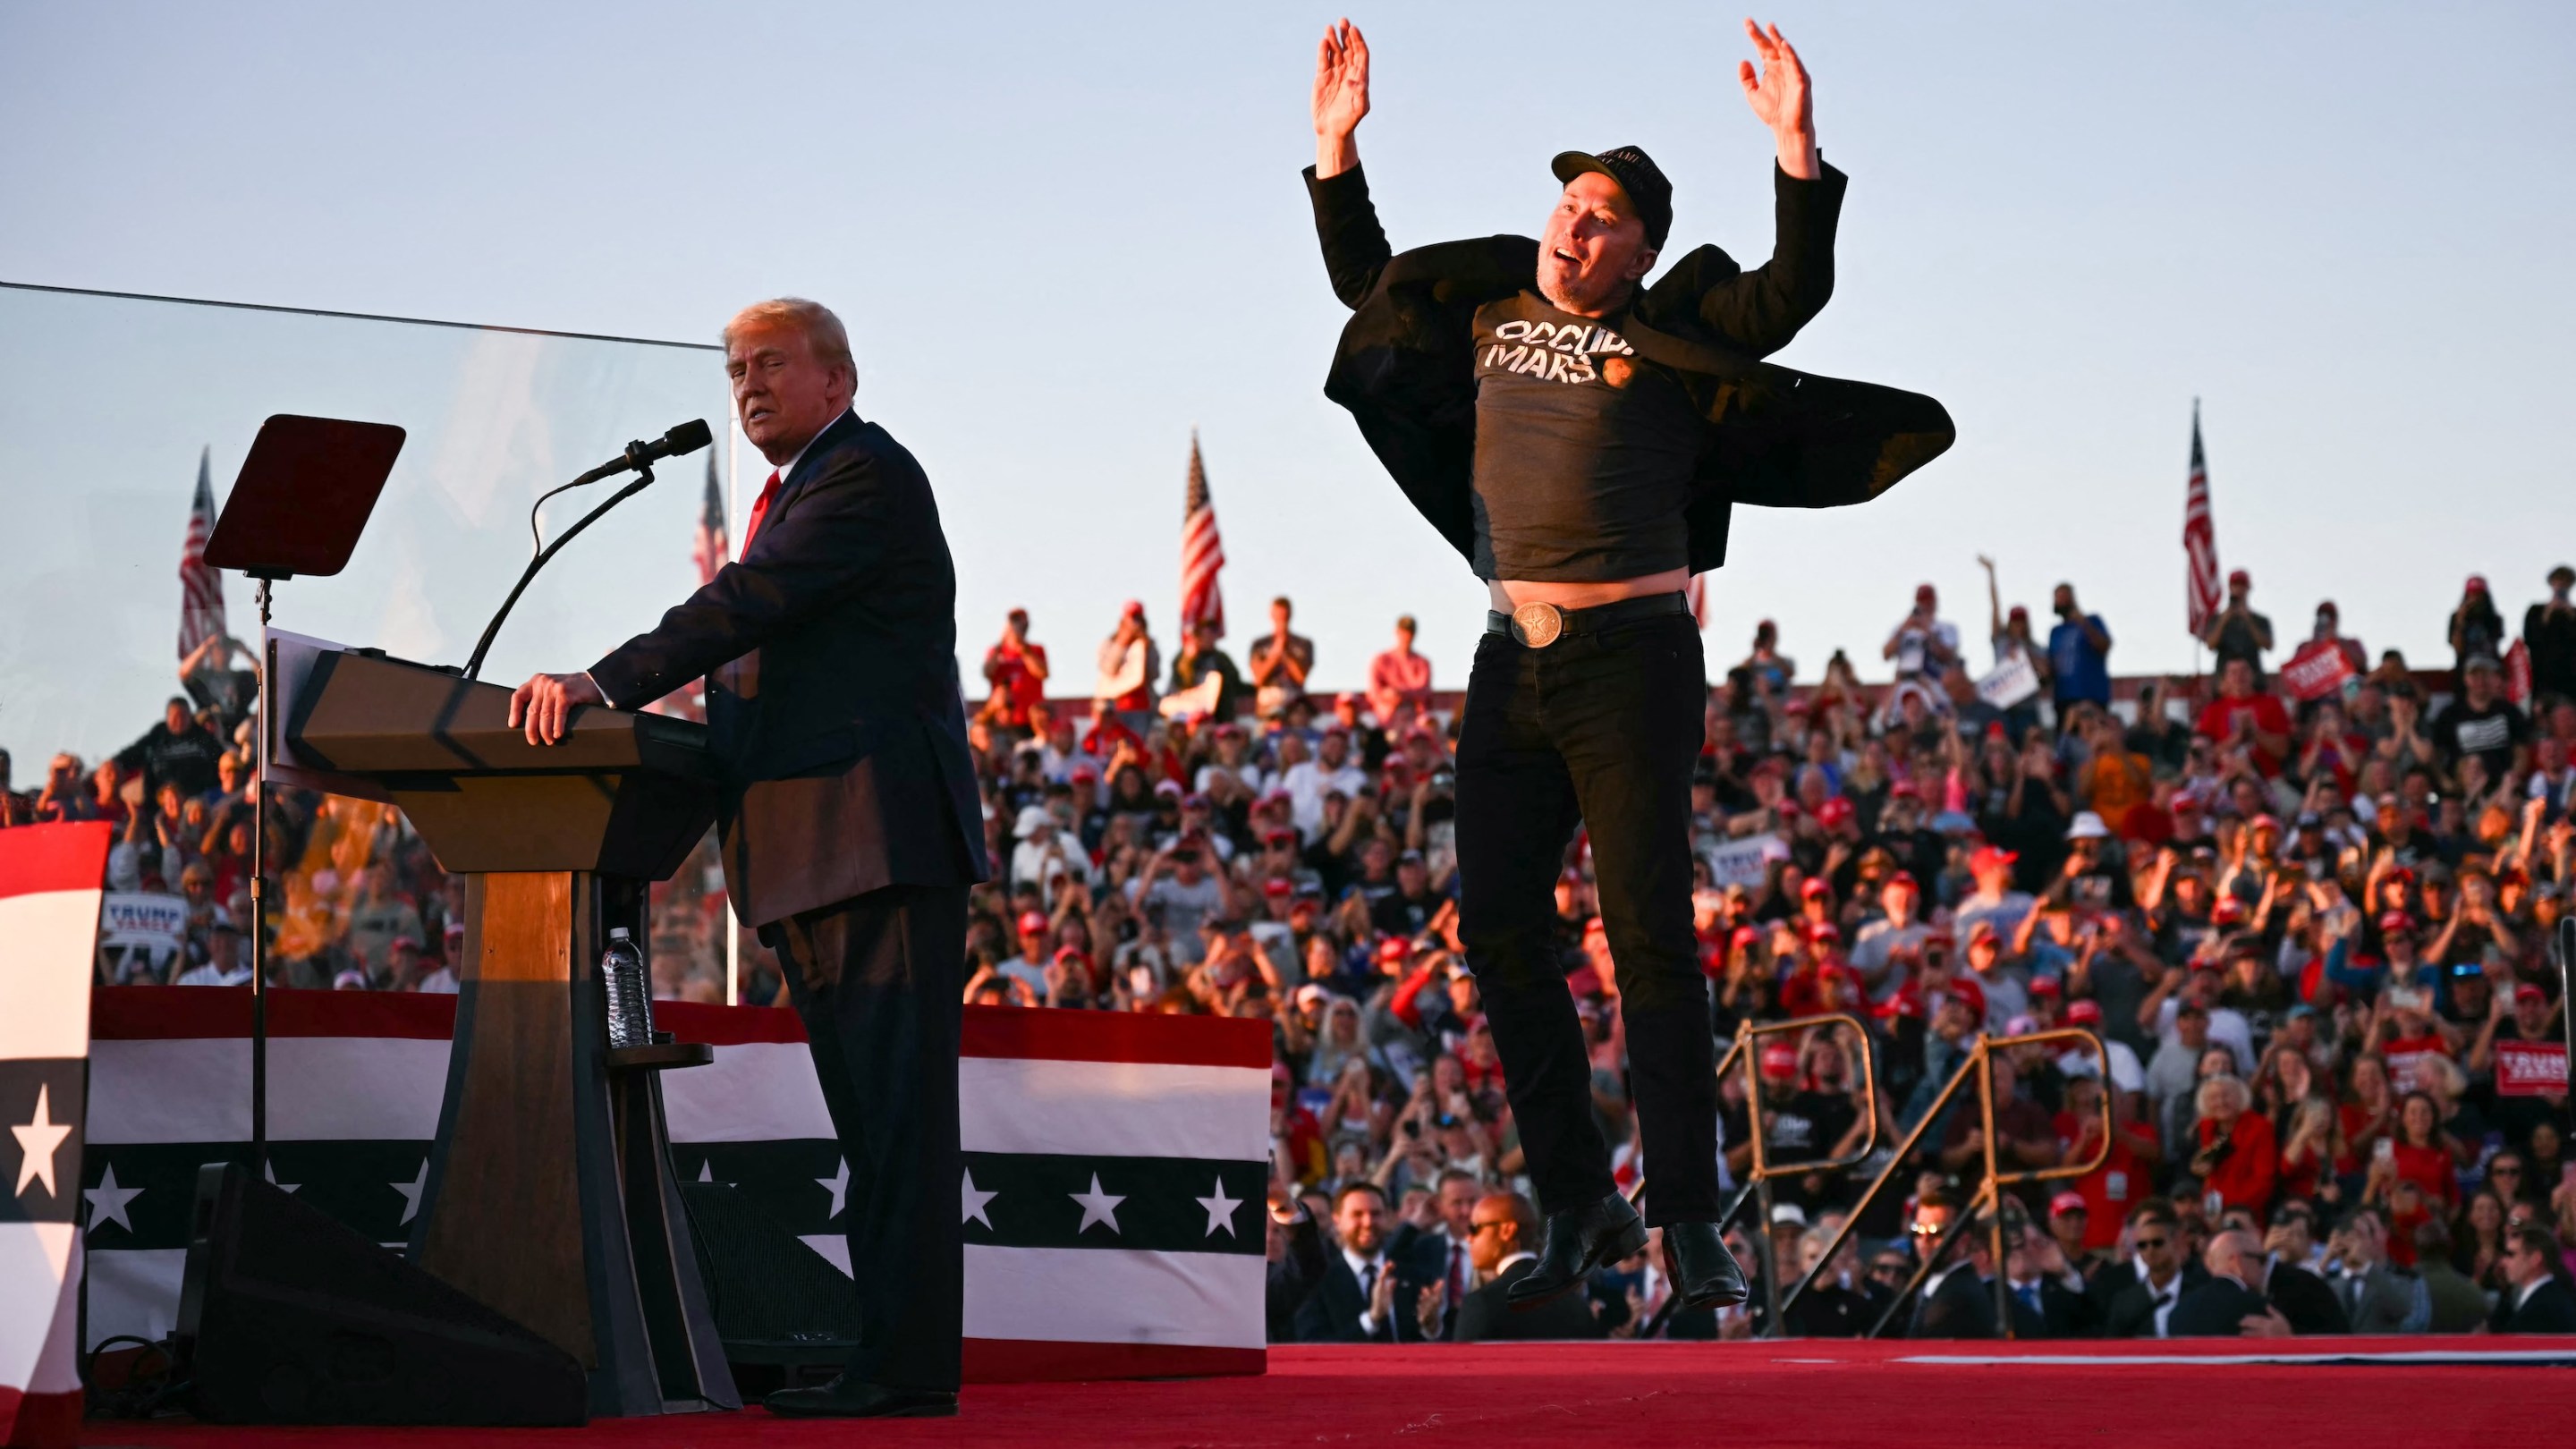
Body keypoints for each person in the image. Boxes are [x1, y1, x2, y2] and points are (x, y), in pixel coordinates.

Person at [1305, 15, 1948, 1320]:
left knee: (1651, 942)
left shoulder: (1672, 320)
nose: (1574, 227)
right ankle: (1573, 1201)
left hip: (1634, 660)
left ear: (1641, 247)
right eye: (1567, 204)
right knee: (1495, 930)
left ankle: (1690, 1220)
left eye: (1603, 217)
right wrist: (1335, 151)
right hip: (1509, 662)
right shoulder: (1488, 311)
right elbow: (1369, 288)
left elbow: (1787, 297)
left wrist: (1795, 150)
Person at [509, 297, 987, 1419]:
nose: (748, 385)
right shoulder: (800, 493)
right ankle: (887, 1355)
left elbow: (752, 604)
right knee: (871, 1125)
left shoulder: (864, 478)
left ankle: (907, 1371)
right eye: (735, 370)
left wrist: (603, 683)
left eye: (771, 363)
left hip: (873, 842)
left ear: (840, 381)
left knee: (897, 1125)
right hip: (816, 850)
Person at [1421, 1190, 1603, 1342]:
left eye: (1475, 1229)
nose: (1469, 1238)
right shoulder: (1575, 1303)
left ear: (1507, 1231)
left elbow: (1465, 1375)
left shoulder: (1481, 1303)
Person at [2490, 1224, 2576, 1333]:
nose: (2503, 1262)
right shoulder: (2550, 1296)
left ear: (2535, 1259)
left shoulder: (2543, 1310)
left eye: (2511, 1255)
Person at [979, 607, 1050, 734]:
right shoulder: (996, 651)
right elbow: (987, 672)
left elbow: (1042, 673)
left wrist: (1023, 648)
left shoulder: (1036, 650)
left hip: (1029, 721)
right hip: (1002, 720)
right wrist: (1002, 641)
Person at [2046, 582, 2113, 716]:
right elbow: (2051, 664)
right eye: (2056, 598)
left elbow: (2104, 645)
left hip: (2092, 696)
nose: (2059, 601)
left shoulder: (2093, 621)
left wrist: (2084, 623)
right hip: (2063, 698)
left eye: (2062, 597)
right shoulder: (2055, 632)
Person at [1247, 596, 1315, 721]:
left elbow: (1301, 677)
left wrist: (1286, 656)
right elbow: (1258, 679)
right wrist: (1275, 655)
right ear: (1271, 615)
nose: (1281, 619)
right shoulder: (1259, 644)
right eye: (1278, 615)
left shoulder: (1304, 644)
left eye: (1284, 615)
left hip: (1293, 696)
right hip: (1268, 697)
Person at [1095, 601, 1160, 729]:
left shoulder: (1149, 645)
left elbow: (1154, 674)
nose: (1134, 624)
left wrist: (1146, 650)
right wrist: (1122, 644)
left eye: (1138, 619)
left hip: (1142, 707)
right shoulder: (1108, 643)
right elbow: (1108, 669)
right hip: (1115, 706)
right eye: (1131, 619)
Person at [2200, 568, 2274, 680]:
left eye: (2242, 586)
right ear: (2230, 588)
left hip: (2253, 679)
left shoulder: (2260, 620)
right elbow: (2210, 645)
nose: (2239, 590)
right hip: (2225, 679)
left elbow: (2268, 645)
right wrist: (2224, 620)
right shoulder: (2217, 619)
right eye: (2235, 585)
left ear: (2248, 588)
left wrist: (2248, 620)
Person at [2522, 564, 2576, 705]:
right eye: (2558, 580)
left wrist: (2571, 615)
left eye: (2566, 581)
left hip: (2570, 681)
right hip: (2542, 680)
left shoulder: (2573, 613)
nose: (2561, 584)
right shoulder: (2536, 611)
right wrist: (2547, 613)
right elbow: (2530, 639)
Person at [1367, 614, 1432, 726]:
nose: (1407, 636)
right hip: (1386, 722)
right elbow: (1374, 693)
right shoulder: (1381, 660)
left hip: (1415, 722)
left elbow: (1423, 692)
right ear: (1396, 632)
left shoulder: (1422, 662)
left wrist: (1399, 693)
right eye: (1404, 631)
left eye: (1410, 632)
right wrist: (1390, 696)